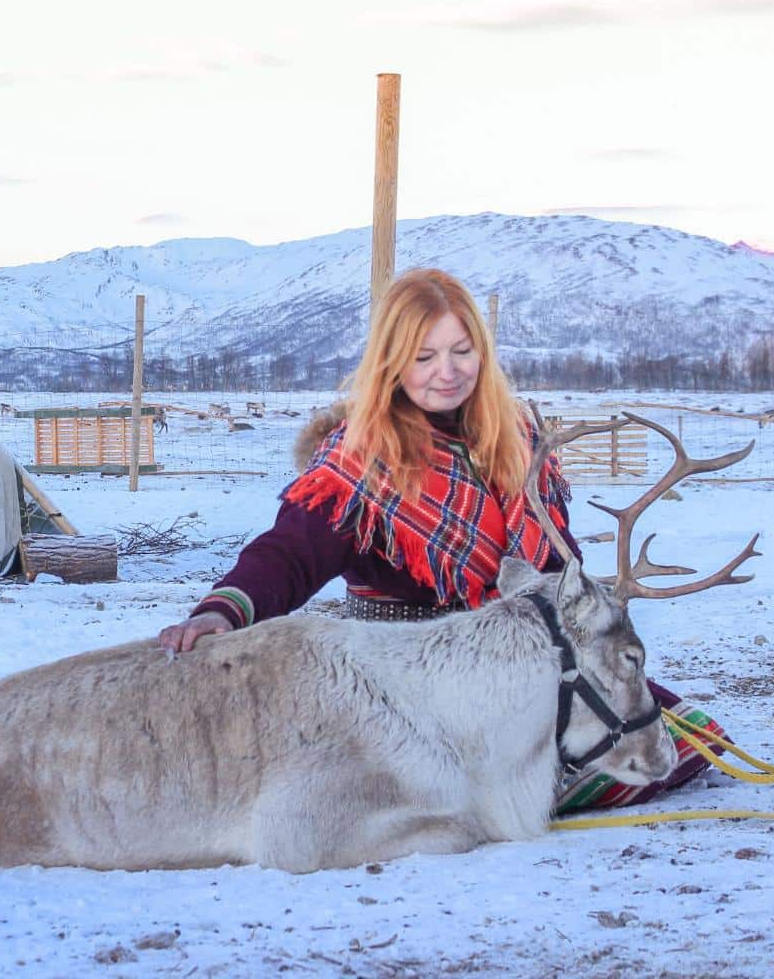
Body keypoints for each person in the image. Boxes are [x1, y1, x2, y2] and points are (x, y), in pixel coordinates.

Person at [155, 267, 726, 811]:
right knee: (611, 763)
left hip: (519, 664)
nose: (446, 372)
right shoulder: (360, 462)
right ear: (392, 362)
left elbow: (560, 571)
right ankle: (488, 794)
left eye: (461, 352)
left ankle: (505, 785)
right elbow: (288, 554)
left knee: (686, 740)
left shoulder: (520, 442)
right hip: (409, 681)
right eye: (423, 357)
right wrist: (224, 611)